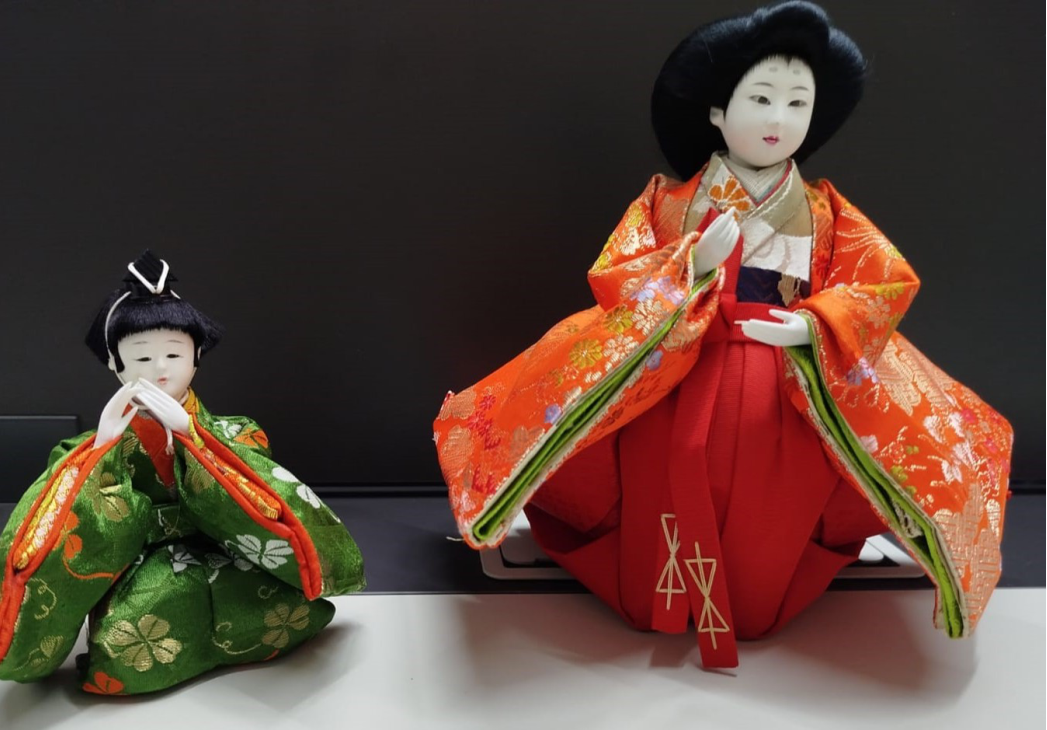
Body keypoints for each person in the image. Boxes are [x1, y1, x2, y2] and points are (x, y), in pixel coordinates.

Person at [433, 1, 1011, 668]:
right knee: (648, 485)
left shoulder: (826, 211)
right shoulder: (667, 202)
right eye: (760, 98)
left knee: (772, 517)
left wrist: (814, 322)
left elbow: (882, 282)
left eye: (797, 103)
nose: (777, 119)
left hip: (783, 384)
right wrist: (688, 267)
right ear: (716, 110)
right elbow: (616, 274)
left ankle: (751, 606)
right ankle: (657, 602)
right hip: (681, 371)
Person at [0, 250, 365, 694]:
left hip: (226, 550)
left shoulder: (238, 432)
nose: (160, 369)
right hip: (148, 565)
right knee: (126, 635)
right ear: (114, 364)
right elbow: (76, 524)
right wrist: (102, 448)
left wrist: (193, 437)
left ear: (197, 356)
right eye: (142, 358)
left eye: (174, 354)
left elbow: (263, 500)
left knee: (281, 605)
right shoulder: (84, 450)